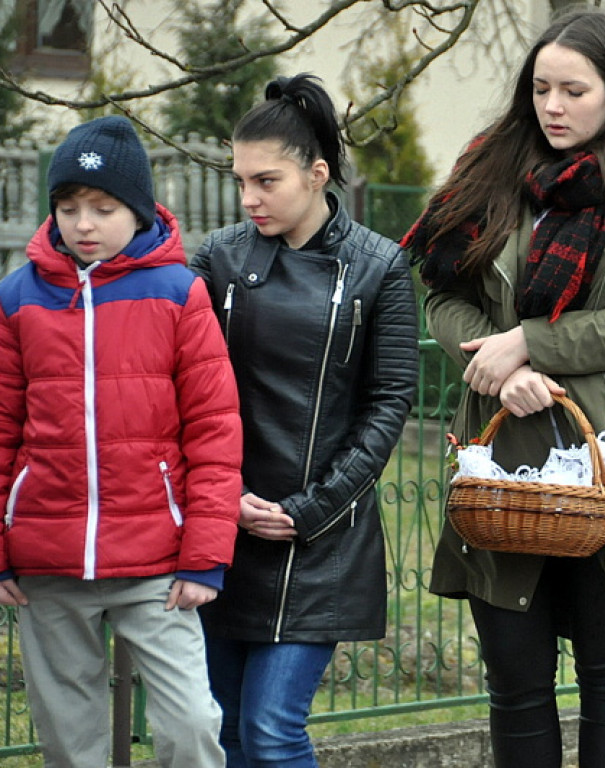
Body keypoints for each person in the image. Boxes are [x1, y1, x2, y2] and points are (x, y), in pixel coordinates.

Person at [399, 8, 605, 767]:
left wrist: (535, 342)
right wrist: (499, 363)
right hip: (501, 450)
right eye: (541, 88)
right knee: (517, 679)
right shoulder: (488, 172)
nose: (554, 107)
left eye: (574, 89)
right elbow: (442, 293)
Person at [191, 74, 419, 768]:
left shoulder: (381, 266)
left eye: (267, 180)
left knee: (270, 730)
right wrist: (221, 497)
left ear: (319, 174)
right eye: (240, 182)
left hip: (322, 540)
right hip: (224, 529)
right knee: (225, 732)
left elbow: (391, 401)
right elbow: (185, 389)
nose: (248, 199)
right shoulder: (218, 260)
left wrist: (310, 509)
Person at [0, 115, 242, 767]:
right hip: (46, 562)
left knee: (191, 725)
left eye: (103, 208)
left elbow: (215, 431)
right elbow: (0, 428)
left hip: (157, 563)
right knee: (71, 744)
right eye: (69, 206)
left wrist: (204, 557)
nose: (84, 223)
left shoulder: (177, 293)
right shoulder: (17, 297)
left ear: (137, 210)